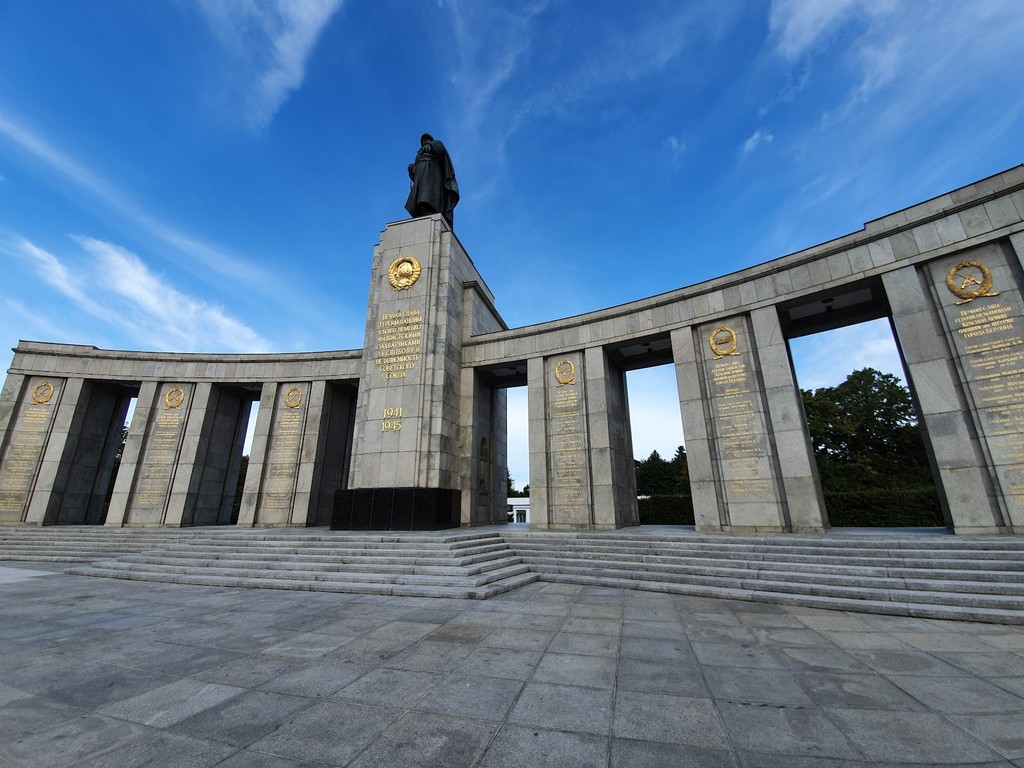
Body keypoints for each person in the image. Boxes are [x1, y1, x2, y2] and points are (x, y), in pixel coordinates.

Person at [405, 133, 459, 227]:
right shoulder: (419, 154)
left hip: (432, 178)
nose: (425, 141)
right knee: (420, 197)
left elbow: (440, 146)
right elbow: (416, 176)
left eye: (427, 139)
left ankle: (428, 210)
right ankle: (422, 212)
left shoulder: (436, 145)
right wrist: (412, 170)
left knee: (427, 197)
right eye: (423, 140)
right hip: (421, 180)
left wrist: (431, 146)